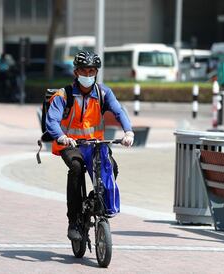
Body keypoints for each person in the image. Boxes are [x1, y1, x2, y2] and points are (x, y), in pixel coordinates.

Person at [45, 51, 134, 240]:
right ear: (76, 72)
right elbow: (52, 121)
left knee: (112, 168)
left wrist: (128, 132)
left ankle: (94, 200)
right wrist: (61, 137)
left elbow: (119, 112)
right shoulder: (64, 95)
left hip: (95, 145)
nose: (88, 75)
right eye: (84, 71)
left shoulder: (103, 93)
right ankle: (74, 220)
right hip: (70, 145)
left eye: (92, 71)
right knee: (76, 168)